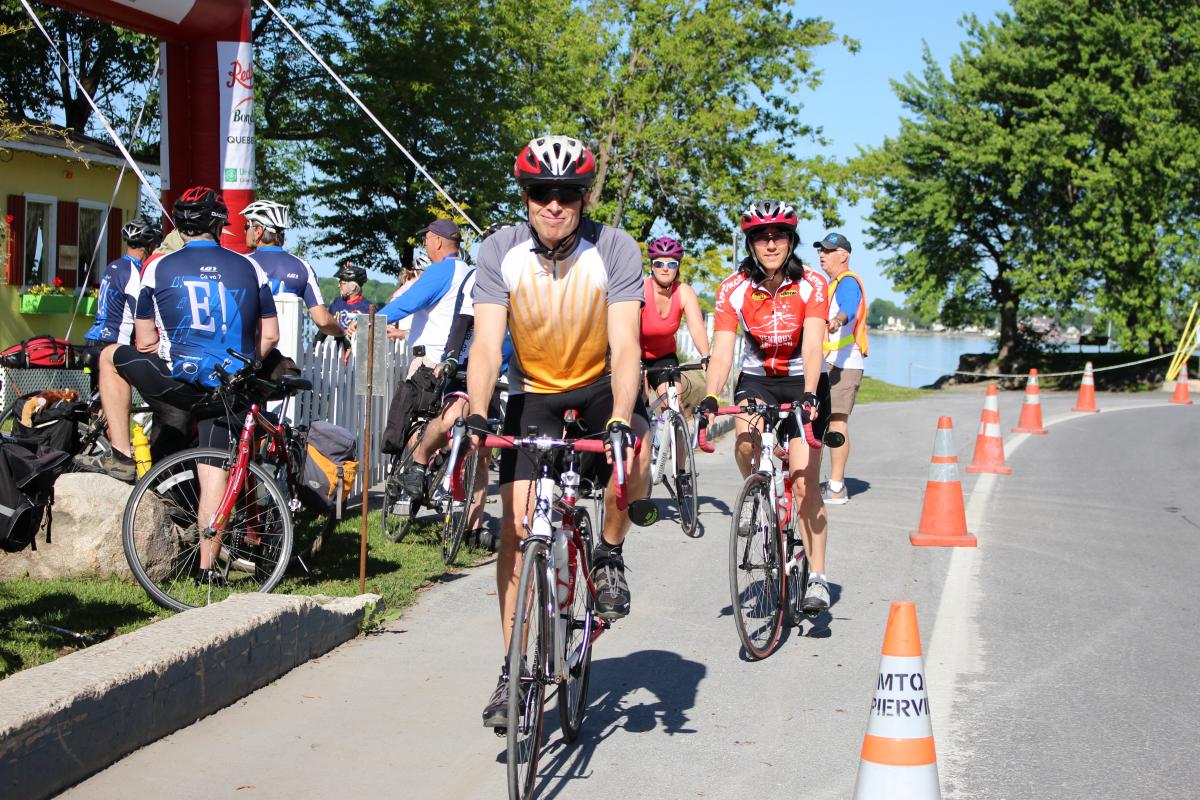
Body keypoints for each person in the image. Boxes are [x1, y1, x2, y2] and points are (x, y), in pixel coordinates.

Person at [465, 135, 650, 728]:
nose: (553, 204)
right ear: (525, 197)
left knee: (636, 454)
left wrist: (620, 415)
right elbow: (486, 344)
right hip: (534, 394)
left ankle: (610, 552)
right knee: (516, 531)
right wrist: (477, 412)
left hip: (600, 384)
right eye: (541, 192)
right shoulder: (500, 249)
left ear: (584, 198)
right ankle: (513, 672)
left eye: (566, 194)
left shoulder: (615, 248)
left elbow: (627, 345)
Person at [96, 187, 278, 585]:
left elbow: (145, 340)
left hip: (177, 384)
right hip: (227, 388)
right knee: (213, 474)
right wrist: (243, 364)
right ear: (219, 224)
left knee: (110, 356)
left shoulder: (157, 267)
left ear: (179, 225)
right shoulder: (251, 268)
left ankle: (122, 453)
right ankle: (206, 569)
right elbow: (270, 336)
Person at [697, 200, 833, 614]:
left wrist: (809, 393)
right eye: (761, 237)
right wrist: (711, 394)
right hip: (758, 379)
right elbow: (723, 351)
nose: (770, 244)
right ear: (751, 244)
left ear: (791, 241)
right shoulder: (732, 288)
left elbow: (814, 345)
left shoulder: (812, 283)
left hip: (804, 379)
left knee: (805, 482)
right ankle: (757, 492)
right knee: (745, 441)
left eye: (778, 236)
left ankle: (818, 576)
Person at [371, 218, 474, 500]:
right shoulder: (467, 271)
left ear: (438, 241)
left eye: (426, 239)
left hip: (429, 358)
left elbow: (410, 301)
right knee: (444, 416)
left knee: (413, 417)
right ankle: (437, 464)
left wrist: (374, 319)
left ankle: (413, 476)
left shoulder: (441, 270)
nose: (425, 245)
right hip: (458, 358)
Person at [814, 232, 867, 505]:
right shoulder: (830, 284)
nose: (822, 255)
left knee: (836, 422)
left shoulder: (847, 281)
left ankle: (836, 486)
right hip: (829, 362)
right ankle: (818, 482)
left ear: (843, 255)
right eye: (820, 250)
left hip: (844, 363)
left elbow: (849, 308)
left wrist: (838, 320)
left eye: (828, 250)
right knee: (818, 421)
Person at [242, 199, 343, 337]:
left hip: (250, 345)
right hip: (288, 347)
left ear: (258, 231)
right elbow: (323, 321)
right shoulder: (303, 267)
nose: (244, 231)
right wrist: (342, 333)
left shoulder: (243, 263)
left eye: (246, 226)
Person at [640, 236, 711, 402]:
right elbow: (627, 330)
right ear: (652, 266)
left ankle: (672, 419)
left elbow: (696, 327)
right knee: (638, 401)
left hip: (664, 356)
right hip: (634, 353)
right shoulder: (640, 290)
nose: (665, 269)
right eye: (659, 264)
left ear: (677, 267)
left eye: (671, 264)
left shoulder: (684, 292)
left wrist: (705, 356)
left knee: (673, 402)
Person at [84, 216, 161, 349]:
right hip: (117, 343)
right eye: (156, 246)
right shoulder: (134, 272)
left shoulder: (113, 266)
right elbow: (141, 315)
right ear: (149, 247)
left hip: (94, 338)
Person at [328, 262, 373, 332]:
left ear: (353, 287)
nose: (339, 286)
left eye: (342, 283)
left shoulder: (368, 308)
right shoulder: (336, 303)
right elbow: (327, 325)